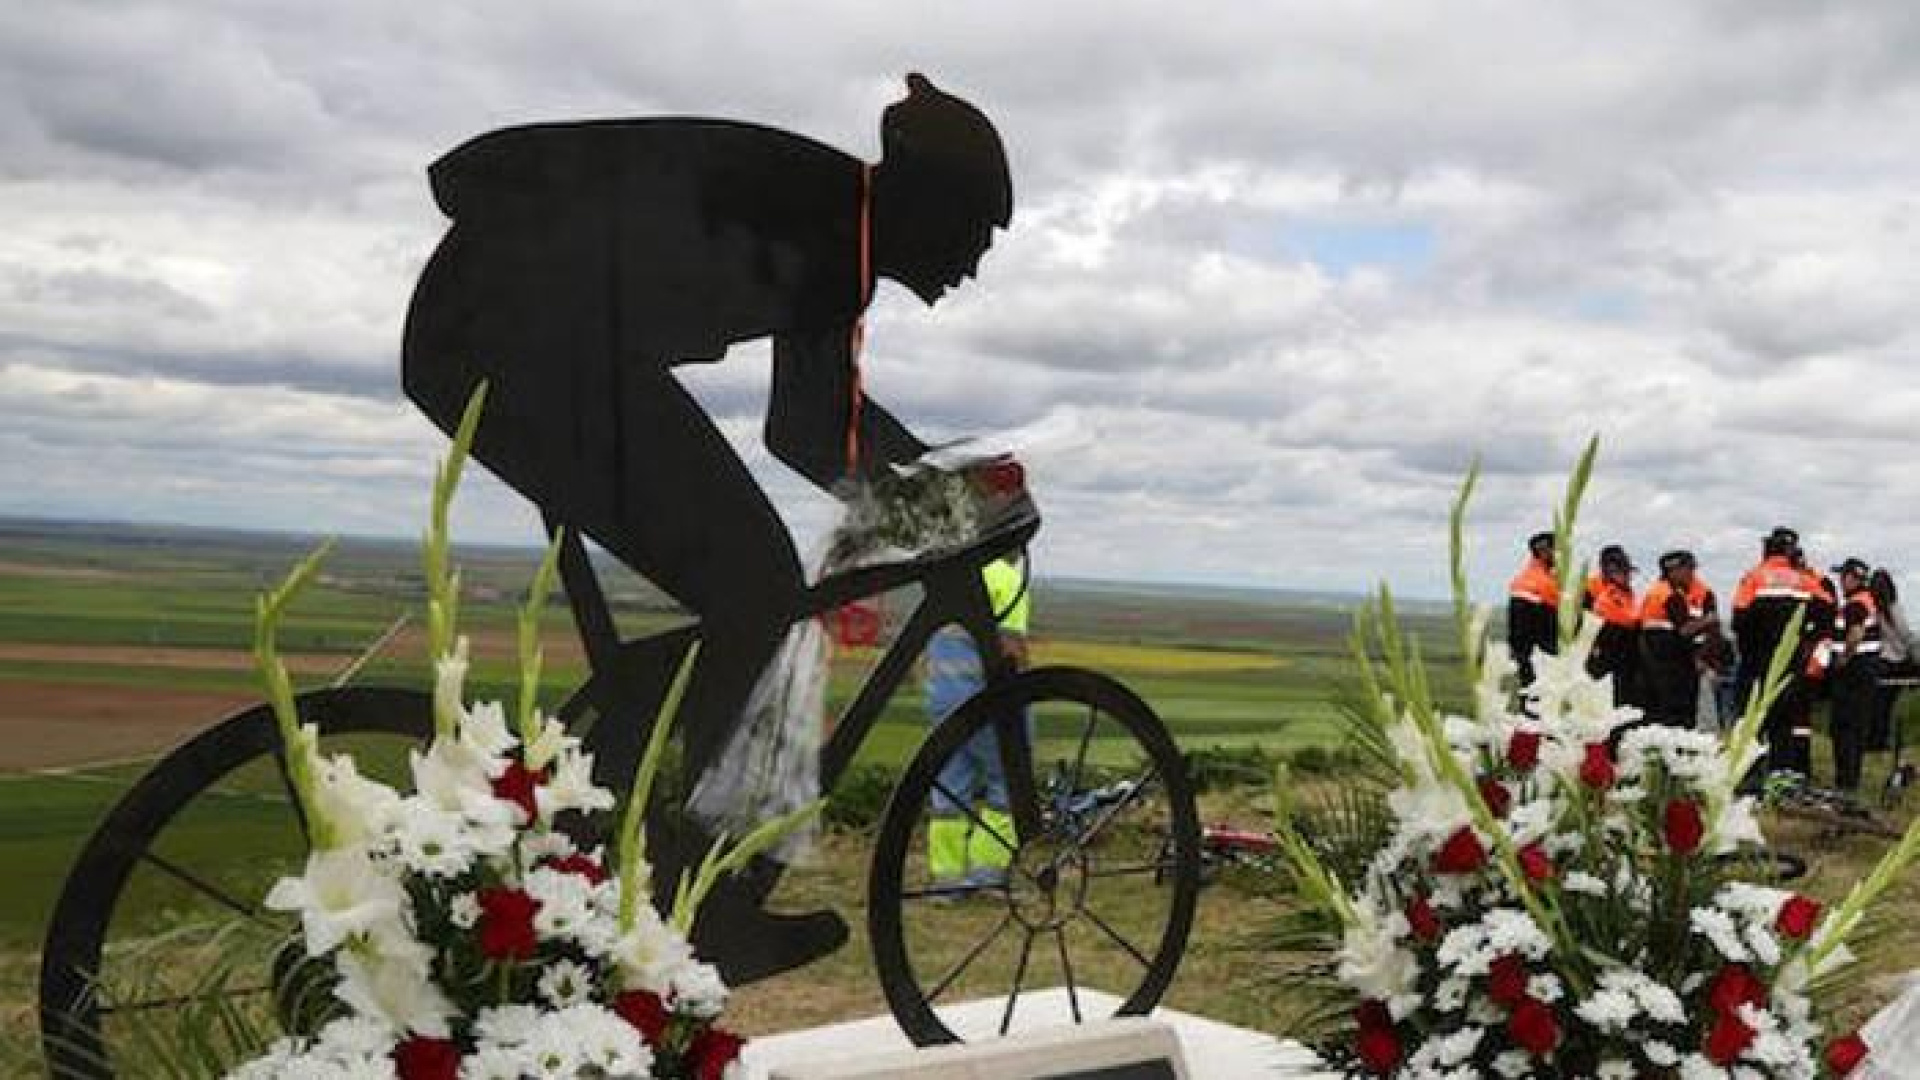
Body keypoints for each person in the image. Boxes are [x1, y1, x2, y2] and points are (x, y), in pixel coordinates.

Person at [402, 74, 1013, 978]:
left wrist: (941, 490)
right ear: (926, 203)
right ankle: (690, 893)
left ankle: (618, 845)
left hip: (513, 327)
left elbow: (814, 431)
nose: (973, 261)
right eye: (975, 232)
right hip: (513, 336)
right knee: (761, 591)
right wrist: (954, 502)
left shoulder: (835, 222)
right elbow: (812, 434)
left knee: (751, 597)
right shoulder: (836, 231)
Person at [924, 555, 1031, 894]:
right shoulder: (1006, 579)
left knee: (949, 789)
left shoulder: (951, 574)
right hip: (987, 700)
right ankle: (987, 873)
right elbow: (1010, 647)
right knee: (1009, 782)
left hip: (942, 698)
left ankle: (947, 878)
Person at [1731, 527, 1828, 777]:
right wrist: (1806, 639)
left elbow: (1738, 621)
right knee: (1783, 724)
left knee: (1751, 721)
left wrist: (1750, 648)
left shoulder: (1753, 578)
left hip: (1756, 662)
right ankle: (1781, 777)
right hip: (1790, 662)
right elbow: (1827, 610)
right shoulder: (1805, 580)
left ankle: (1748, 777)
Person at [1639, 551, 1720, 727]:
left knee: (1680, 712)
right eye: (1688, 569)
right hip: (1666, 665)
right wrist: (1708, 620)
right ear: (1673, 571)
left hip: (1675, 663)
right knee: (1673, 715)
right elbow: (1685, 630)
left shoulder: (1688, 592)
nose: (1692, 574)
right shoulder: (1666, 594)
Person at [1828, 558, 1886, 793]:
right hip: (1865, 671)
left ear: (1853, 578)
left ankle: (1846, 782)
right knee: (1855, 727)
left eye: (1843, 576)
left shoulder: (1855, 604)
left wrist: (1843, 658)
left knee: (1845, 728)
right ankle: (1849, 780)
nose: (1841, 582)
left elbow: (1855, 633)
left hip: (1854, 673)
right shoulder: (1869, 600)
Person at [1584, 545, 1641, 706]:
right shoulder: (1592, 587)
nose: (1627, 576)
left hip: (1622, 645)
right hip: (1602, 642)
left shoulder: (1626, 591)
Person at [1870, 568, 1915, 752]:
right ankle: (1879, 740)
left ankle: (1875, 740)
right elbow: (1906, 635)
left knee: (1878, 705)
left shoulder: (1876, 609)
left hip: (1883, 660)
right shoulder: (1893, 608)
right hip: (1896, 661)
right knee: (1884, 706)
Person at [1508, 531, 1560, 686]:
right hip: (1540, 655)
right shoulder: (1544, 583)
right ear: (1544, 551)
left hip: (1525, 653)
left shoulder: (1522, 578)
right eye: (1558, 550)